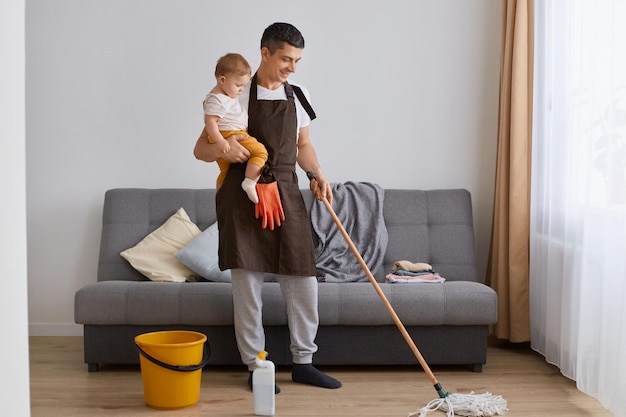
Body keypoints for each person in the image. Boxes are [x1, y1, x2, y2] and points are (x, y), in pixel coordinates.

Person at [193, 22, 342, 392]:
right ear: (265, 53)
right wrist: (224, 149)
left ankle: (304, 362)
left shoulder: (299, 94)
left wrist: (318, 173)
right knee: (248, 284)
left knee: (302, 278)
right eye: (286, 59)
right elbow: (200, 150)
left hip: (287, 191)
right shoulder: (236, 94)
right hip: (242, 195)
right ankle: (256, 365)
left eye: (298, 60)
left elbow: (303, 144)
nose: (293, 67)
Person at [203, 52, 268, 204]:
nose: (241, 90)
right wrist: (220, 142)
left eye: (244, 86)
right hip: (229, 134)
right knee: (260, 152)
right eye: (238, 85)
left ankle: (220, 197)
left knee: (225, 171)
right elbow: (210, 122)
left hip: (226, 135)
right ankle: (250, 182)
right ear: (222, 79)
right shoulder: (217, 99)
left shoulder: (225, 96)